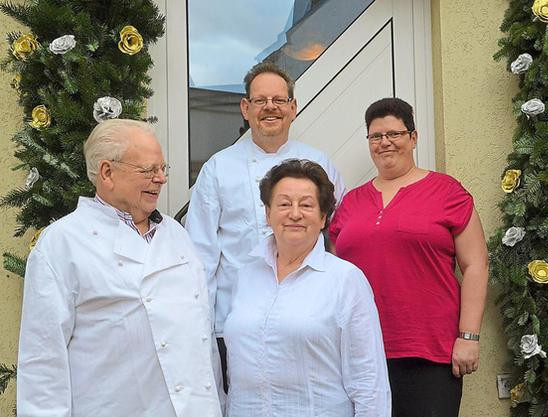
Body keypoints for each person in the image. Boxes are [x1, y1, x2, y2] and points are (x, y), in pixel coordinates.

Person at [17, 119, 223, 417]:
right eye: (149, 170)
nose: (161, 179)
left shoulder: (177, 235)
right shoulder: (62, 243)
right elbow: (42, 362)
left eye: (163, 168)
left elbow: (203, 342)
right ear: (107, 173)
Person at [185, 61, 345, 385]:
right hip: (233, 322)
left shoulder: (320, 164)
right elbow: (199, 257)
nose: (270, 108)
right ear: (246, 108)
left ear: (293, 107)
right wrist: (199, 327)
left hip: (307, 320)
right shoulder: (218, 168)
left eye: (279, 100)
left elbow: (339, 239)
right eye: (260, 101)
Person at [329, 98, 489, 417]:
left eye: (395, 133)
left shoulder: (447, 192)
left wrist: (468, 336)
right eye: (376, 136)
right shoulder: (350, 203)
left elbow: (476, 265)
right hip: (358, 352)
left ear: (413, 138)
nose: (385, 142)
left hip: (429, 351)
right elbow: (334, 274)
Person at [223, 159, 390, 417]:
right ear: (268, 214)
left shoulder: (345, 280)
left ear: (323, 217)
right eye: (284, 204)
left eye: (307, 205)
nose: (295, 213)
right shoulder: (246, 275)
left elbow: (369, 381)